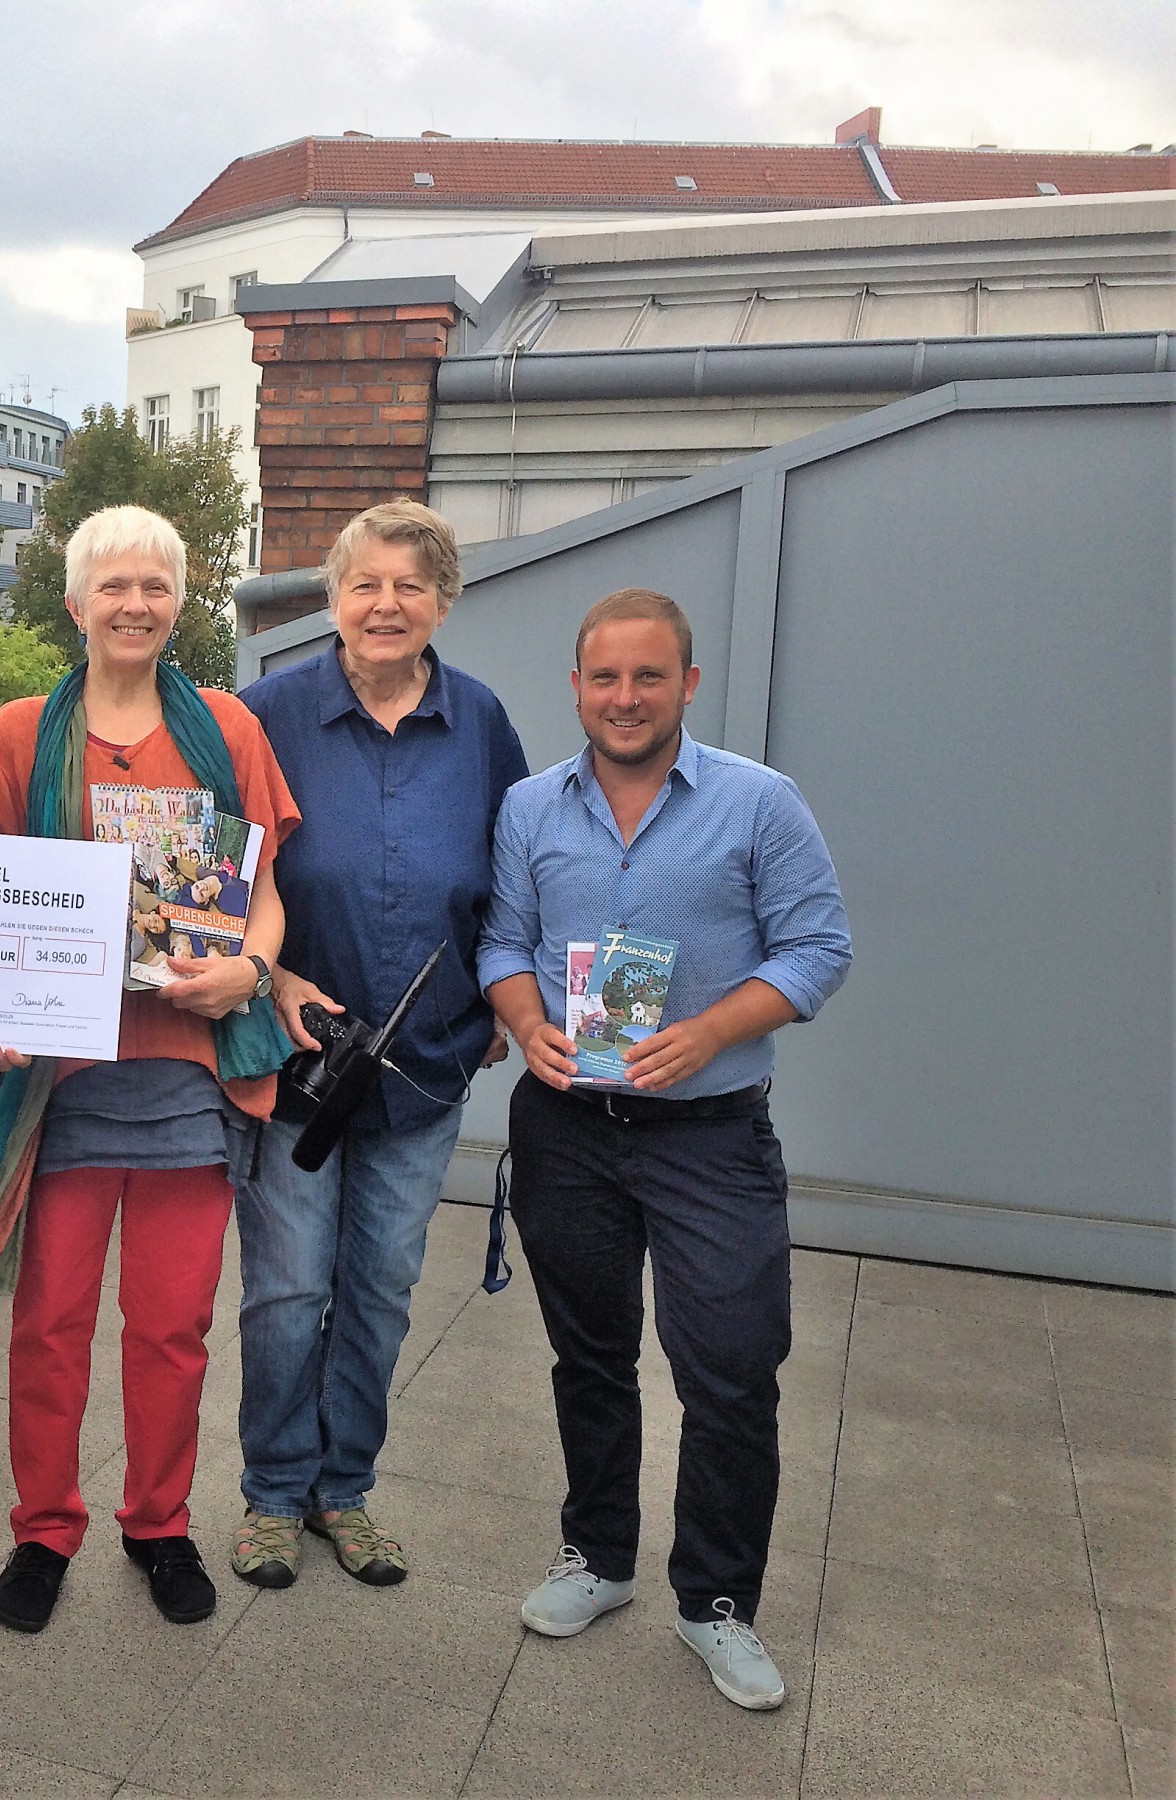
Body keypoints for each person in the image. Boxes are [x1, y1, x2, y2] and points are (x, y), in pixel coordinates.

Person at [477, 588, 851, 1711]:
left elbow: (819, 947)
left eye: (649, 677)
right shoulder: (532, 808)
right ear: (578, 687)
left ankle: (717, 1601)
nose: (625, 697)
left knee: (731, 1371)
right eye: (605, 678)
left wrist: (710, 1031)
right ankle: (598, 1558)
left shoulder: (759, 804)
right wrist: (525, 1020)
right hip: (570, 1132)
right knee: (590, 1357)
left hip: (711, 1135)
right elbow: (503, 937)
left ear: (687, 684)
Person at [0, 504, 300, 1635]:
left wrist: (250, 970)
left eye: (154, 586)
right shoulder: (18, 733)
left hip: (185, 1078)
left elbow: (262, 884)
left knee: (171, 1327)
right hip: (61, 1085)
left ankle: (159, 1522)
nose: (134, 604)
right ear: (75, 604)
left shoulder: (226, 730)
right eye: (112, 586)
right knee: (50, 1322)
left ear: (177, 603)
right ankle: (42, 1529)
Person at [229, 500, 528, 1590]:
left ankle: (341, 1489)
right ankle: (271, 1493)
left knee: (381, 1289)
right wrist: (273, 975)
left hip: (425, 1065)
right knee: (286, 1291)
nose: (386, 604)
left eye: (410, 585)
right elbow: (220, 885)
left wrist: (505, 999)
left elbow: (515, 872)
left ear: (443, 601)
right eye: (366, 584)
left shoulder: (484, 723)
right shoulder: (264, 718)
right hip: (297, 1062)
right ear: (332, 598)